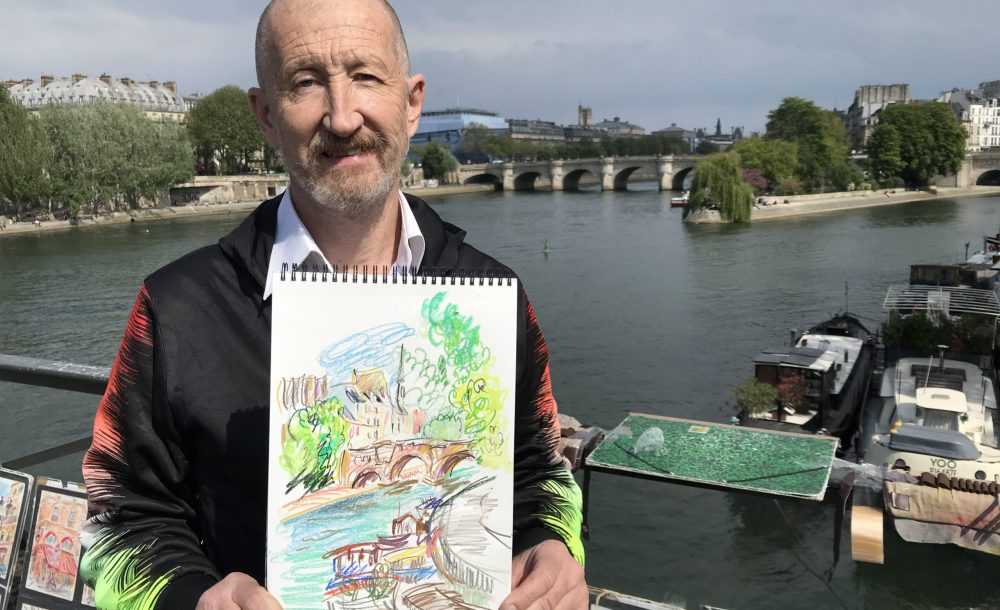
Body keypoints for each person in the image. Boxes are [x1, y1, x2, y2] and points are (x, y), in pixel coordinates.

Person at [79, 1, 587, 609]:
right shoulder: (175, 308)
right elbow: (119, 520)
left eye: (366, 76)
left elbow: (538, 473)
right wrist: (193, 598)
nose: (343, 117)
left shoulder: (496, 296)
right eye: (305, 83)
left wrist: (551, 546)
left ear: (412, 100)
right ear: (265, 115)